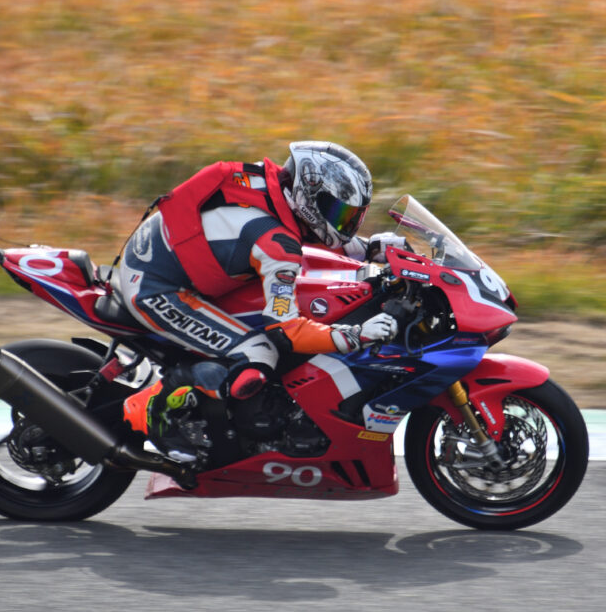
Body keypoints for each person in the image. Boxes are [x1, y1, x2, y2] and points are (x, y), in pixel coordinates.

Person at [116, 141, 403, 462]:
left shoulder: (274, 186)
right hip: (156, 286)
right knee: (257, 354)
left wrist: (370, 248)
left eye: (350, 216)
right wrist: (355, 335)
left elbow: (308, 234)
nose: (344, 224)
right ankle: (156, 405)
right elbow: (286, 330)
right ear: (309, 196)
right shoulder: (276, 245)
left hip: (166, 256)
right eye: (337, 212)